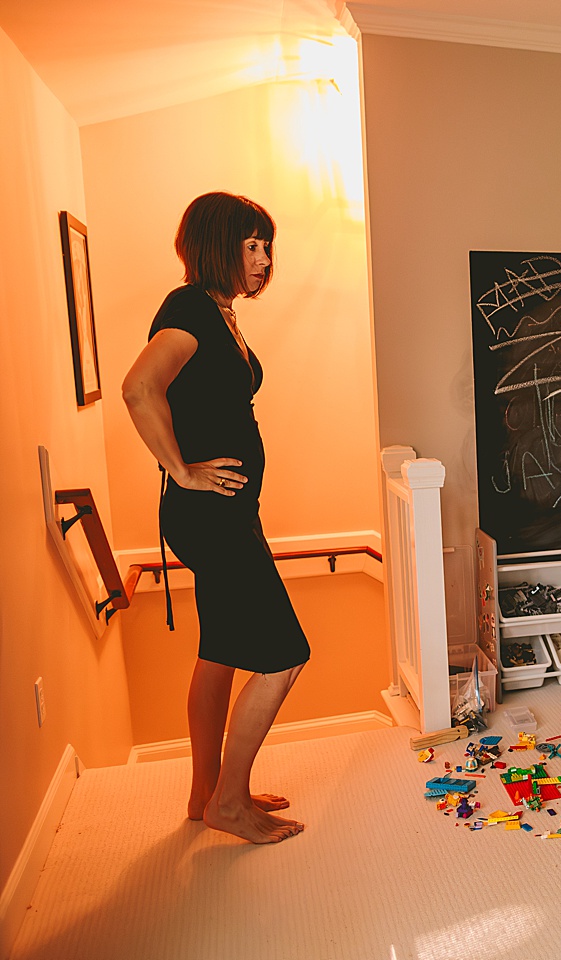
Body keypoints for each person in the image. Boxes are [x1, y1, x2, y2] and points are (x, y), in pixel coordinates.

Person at [122, 192, 309, 844]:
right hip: (211, 514)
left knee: (221, 651)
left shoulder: (217, 314)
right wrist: (182, 470)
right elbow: (139, 387)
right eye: (252, 245)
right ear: (219, 245)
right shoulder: (188, 311)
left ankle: (206, 792)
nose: (263, 260)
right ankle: (229, 803)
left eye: (267, 247)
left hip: (227, 513)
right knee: (285, 655)